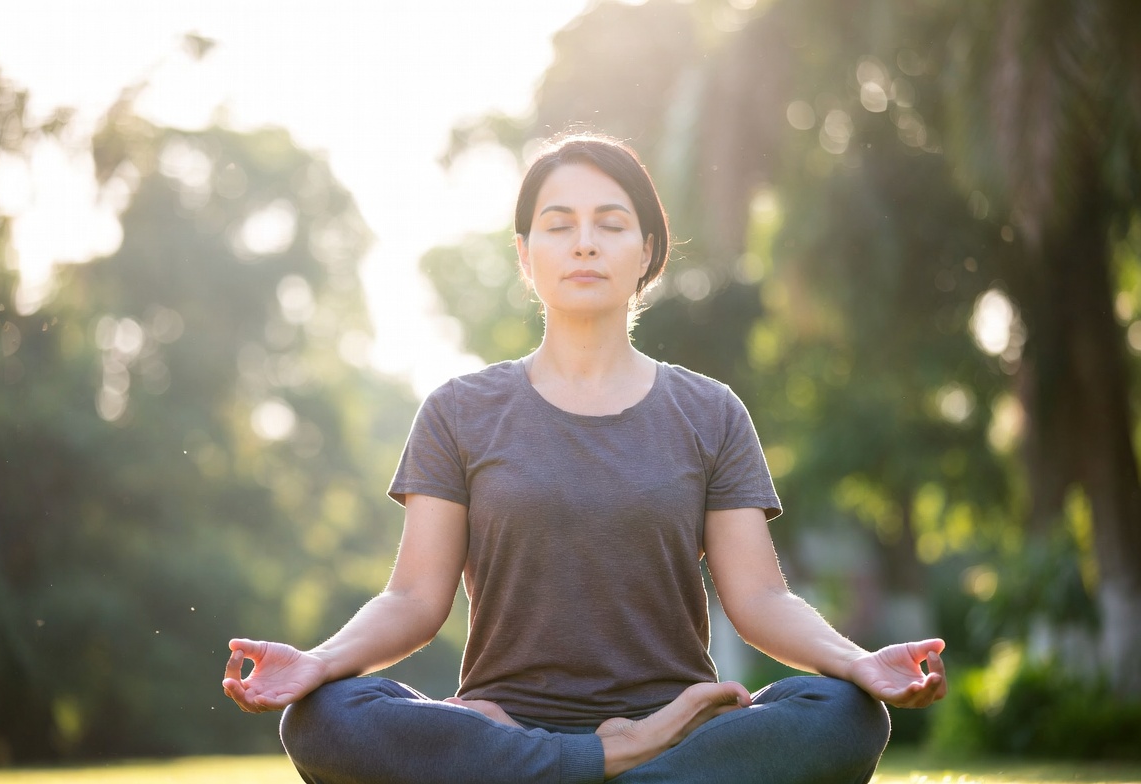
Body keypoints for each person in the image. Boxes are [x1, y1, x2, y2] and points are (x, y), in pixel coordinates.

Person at [222, 133, 947, 783]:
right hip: (503, 723)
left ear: (647, 251)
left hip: (674, 727)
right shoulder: (459, 410)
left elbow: (760, 599)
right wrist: (319, 663)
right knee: (326, 716)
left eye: (611, 223)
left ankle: (569, 774)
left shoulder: (710, 412)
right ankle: (603, 766)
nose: (585, 244)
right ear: (525, 253)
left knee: (844, 713)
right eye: (559, 224)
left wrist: (856, 663)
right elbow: (413, 599)